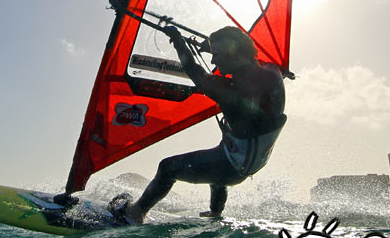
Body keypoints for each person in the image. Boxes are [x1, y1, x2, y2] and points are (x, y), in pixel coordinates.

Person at [114, 25, 287, 224]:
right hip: (252, 158)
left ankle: (135, 213)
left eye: (217, 54)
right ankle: (215, 212)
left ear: (233, 51)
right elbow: (249, 62)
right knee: (219, 157)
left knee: (168, 168)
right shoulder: (272, 71)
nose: (213, 60)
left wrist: (178, 41)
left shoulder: (229, 92)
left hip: (234, 165)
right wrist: (210, 46)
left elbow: (194, 71)